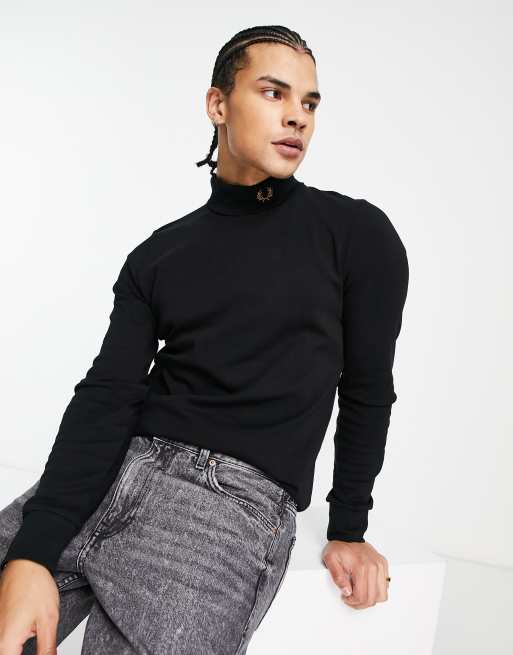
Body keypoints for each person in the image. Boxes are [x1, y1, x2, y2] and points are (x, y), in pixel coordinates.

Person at [0, 23, 408, 654]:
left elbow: (367, 388)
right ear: (218, 104)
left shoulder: (355, 233)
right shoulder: (159, 254)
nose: (297, 117)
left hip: (224, 508)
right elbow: (107, 395)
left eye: (309, 102)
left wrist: (349, 526)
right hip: (112, 469)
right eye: (273, 92)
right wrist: (32, 552)